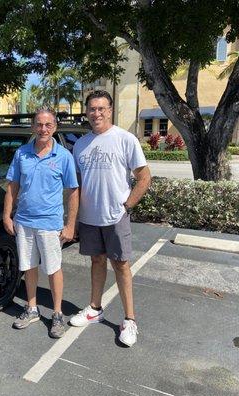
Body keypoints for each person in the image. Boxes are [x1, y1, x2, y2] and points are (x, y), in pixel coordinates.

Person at [70, 90, 151, 347]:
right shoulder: (80, 144)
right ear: (87, 112)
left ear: (110, 110)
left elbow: (144, 177)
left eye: (102, 108)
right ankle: (95, 309)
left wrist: (126, 205)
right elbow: (77, 184)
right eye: (92, 109)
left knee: (121, 264)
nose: (97, 113)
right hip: (90, 217)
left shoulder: (125, 139)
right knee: (96, 261)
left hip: (115, 216)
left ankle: (129, 320)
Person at [3, 108, 79, 339]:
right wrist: (7, 215)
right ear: (33, 126)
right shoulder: (21, 154)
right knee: (29, 266)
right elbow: (12, 186)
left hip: (50, 223)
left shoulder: (64, 156)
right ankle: (32, 308)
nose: (43, 129)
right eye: (39, 124)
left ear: (55, 127)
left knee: (53, 268)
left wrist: (70, 225)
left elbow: (74, 191)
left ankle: (57, 314)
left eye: (48, 125)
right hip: (24, 221)